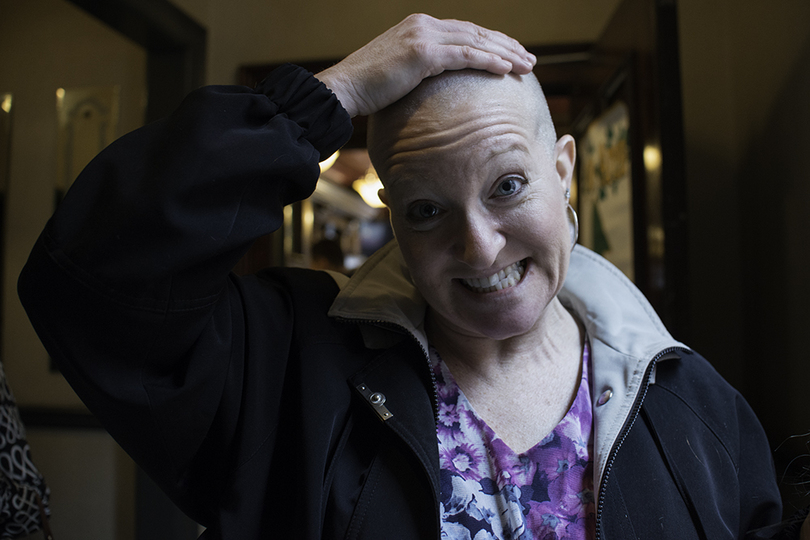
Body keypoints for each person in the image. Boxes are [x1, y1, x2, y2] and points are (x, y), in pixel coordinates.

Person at [16, 12, 800, 539]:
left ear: (565, 172)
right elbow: (91, 278)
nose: (481, 248)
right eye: (427, 212)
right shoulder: (290, 370)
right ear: (390, 213)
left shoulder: (694, 406)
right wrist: (329, 98)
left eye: (508, 187)